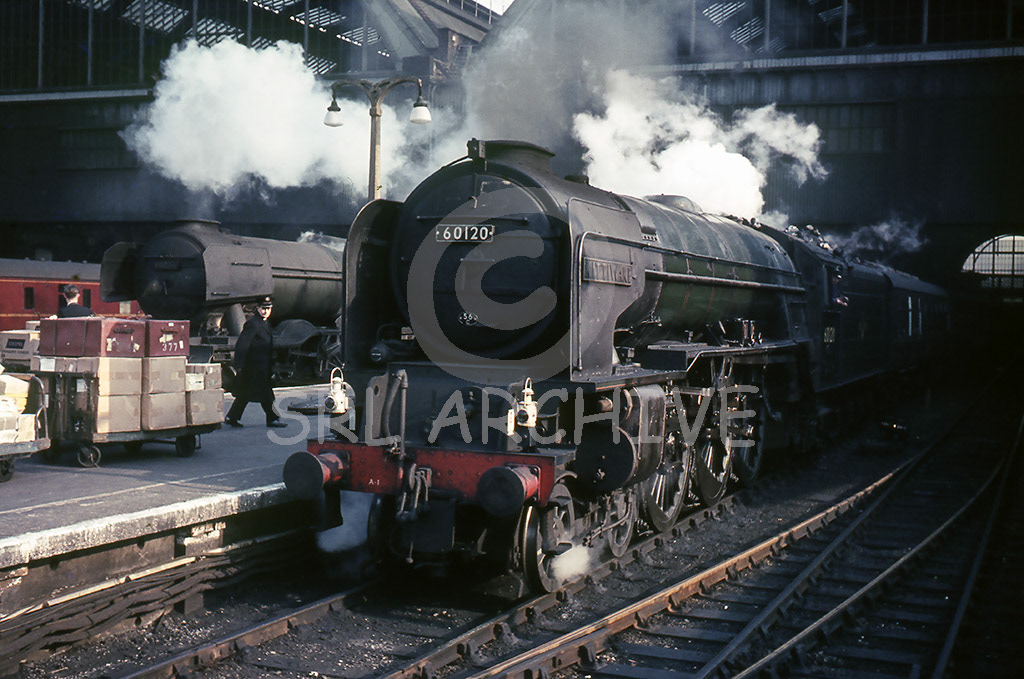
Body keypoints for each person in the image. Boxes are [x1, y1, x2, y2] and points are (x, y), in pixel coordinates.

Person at [225, 296, 286, 428]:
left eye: (268, 308)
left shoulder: (264, 323)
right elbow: (242, 344)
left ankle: (232, 417)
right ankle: (272, 418)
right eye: (263, 308)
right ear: (257, 308)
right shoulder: (252, 324)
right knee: (266, 396)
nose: (265, 311)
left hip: (261, 367)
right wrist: (239, 365)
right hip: (253, 367)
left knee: (244, 395)